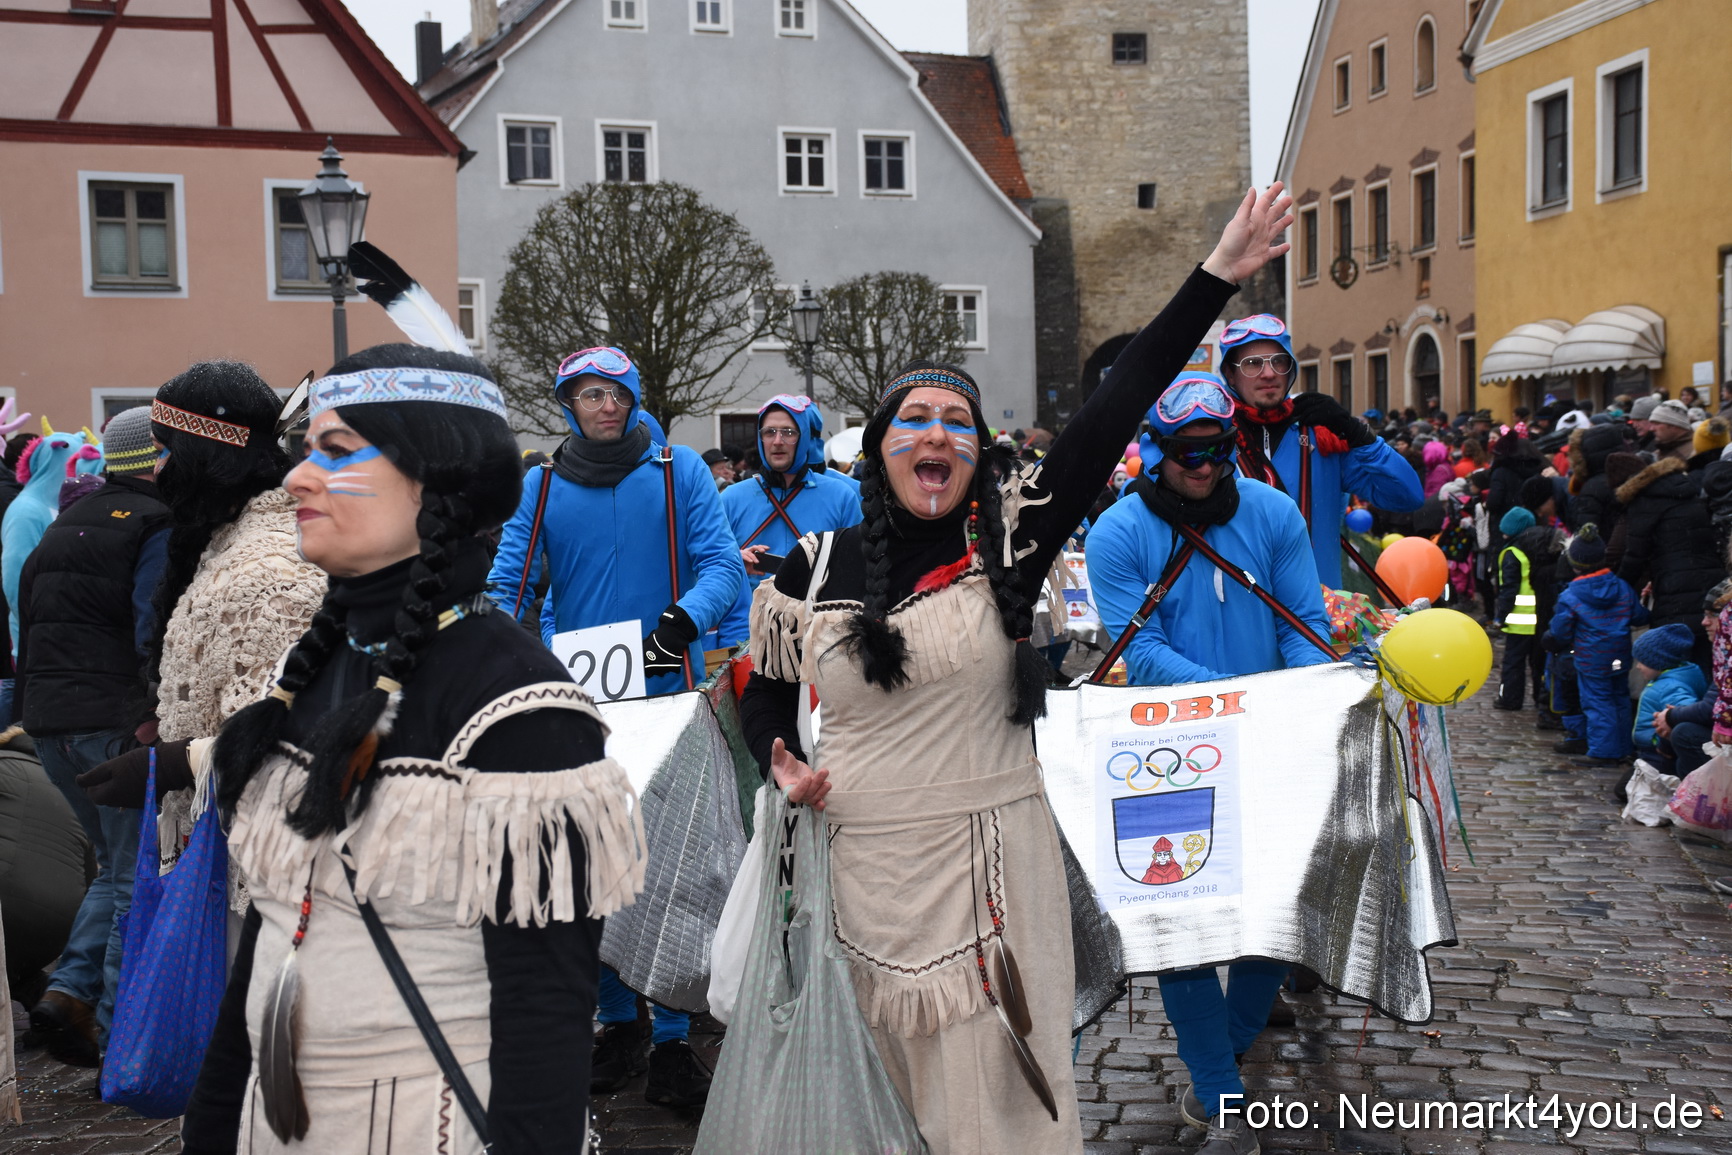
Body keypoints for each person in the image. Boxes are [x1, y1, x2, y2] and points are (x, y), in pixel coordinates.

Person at [732, 183, 1292, 1155]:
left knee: (994, 1106)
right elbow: (762, 694)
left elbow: (1112, 413)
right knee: (877, 1103)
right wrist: (780, 763)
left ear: (978, 449)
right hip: (856, 870)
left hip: (992, 864)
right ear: (877, 447)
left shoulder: (1010, 550)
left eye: (957, 420)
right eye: (913, 419)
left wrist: (1215, 277)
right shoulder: (811, 569)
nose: (936, 434)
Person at [176, 343, 644, 1155]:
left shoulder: (522, 705)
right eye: (302, 451)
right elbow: (267, 937)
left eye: (335, 451)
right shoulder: (313, 670)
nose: (293, 479)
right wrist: (211, 1129)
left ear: (431, 483)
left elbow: (546, 1006)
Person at [486, 345, 743, 1106]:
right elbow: (510, 581)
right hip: (580, 701)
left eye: (615, 394)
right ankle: (616, 1021)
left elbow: (722, 564)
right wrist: (496, 649)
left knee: (673, 871)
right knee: (589, 866)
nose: (604, 406)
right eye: (588, 395)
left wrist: (683, 620)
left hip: (668, 691)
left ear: (634, 400)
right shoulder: (540, 485)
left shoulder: (677, 471)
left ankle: (670, 1042)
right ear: (569, 404)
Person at [1087, 374, 1331, 1153]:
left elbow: (1304, 623)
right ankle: (1221, 1091)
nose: (1204, 465)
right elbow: (1140, 651)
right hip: (1171, 748)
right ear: (1156, 450)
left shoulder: (1272, 513)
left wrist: (1307, 692)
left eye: (1218, 450)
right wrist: (1233, 696)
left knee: (1278, 910)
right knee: (1180, 919)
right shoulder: (1118, 533)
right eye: (1189, 452)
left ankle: (1220, 1049)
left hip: (1269, 737)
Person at [14, 407, 168, 1067]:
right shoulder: (155, 522)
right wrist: (154, 708)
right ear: (159, 459)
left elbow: (28, 615)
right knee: (136, 871)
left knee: (113, 864)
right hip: (111, 720)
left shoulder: (63, 522)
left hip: (48, 721)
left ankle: (66, 993)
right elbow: (149, 627)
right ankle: (113, 1026)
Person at [1218, 314, 1422, 590]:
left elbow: (1406, 496)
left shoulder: (1322, 435)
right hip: (1241, 612)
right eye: (1252, 364)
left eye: (1279, 361)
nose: (1268, 373)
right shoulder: (1213, 441)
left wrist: (1357, 433)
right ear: (1230, 373)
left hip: (1316, 614)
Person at [716, 394, 861, 647]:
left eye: (788, 432)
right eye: (769, 431)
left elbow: (861, 568)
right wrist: (736, 558)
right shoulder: (731, 498)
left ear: (803, 437)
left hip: (822, 639)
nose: (778, 441)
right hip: (749, 638)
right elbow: (709, 566)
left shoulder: (841, 496)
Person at [1544, 525, 1648, 764]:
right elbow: (1639, 616)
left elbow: (1560, 631)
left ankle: (1603, 751)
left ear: (1574, 564)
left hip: (1592, 659)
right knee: (1619, 698)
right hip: (1619, 658)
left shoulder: (1571, 595)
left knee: (1597, 702)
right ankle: (1623, 747)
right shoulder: (1621, 587)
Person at [1616, 450, 1723, 669]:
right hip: (1711, 584)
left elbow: (1635, 555)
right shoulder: (1690, 490)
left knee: (1675, 660)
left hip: (1674, 593)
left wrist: (1615, 586)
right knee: (1708, 658)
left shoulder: (1643, 500)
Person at [1631, 623, 1707, 774]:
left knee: (1628, 789)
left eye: (1642, 661)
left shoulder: (1671, 686)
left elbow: (1687, 712)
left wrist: (1661, 741)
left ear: (1658, 661)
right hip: (1652, 751)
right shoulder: (1664, 680)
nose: (1638, 666)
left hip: (1659, 754)